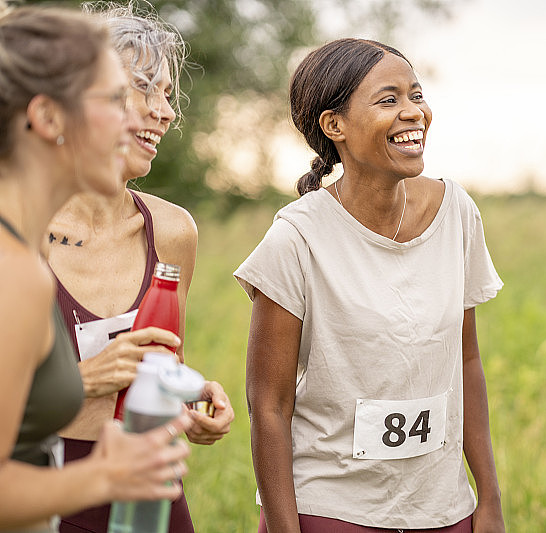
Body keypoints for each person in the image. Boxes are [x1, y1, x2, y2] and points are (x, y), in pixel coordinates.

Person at [235, 38, 506, 533]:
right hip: (332, 509)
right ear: (333, 125)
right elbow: (268, 406)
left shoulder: (457, 214)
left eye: (416, 95)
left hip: (443, 509)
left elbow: (466, 360)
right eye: (389, 100)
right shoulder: (296, 237)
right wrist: (282, 527)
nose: (413, 113)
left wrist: (488, 499)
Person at [0, 5, 193, 532]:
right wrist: (105, 476)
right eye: (117, 98)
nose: (148, 116)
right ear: (48, 117)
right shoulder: (12, 270)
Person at [43, 3, 234, 532]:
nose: (166, 111)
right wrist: (77, 383)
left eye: (168, 95)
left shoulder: (173, 232)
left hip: (149, 493)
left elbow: (158, 367)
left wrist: (189, 394)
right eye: (143, 88)